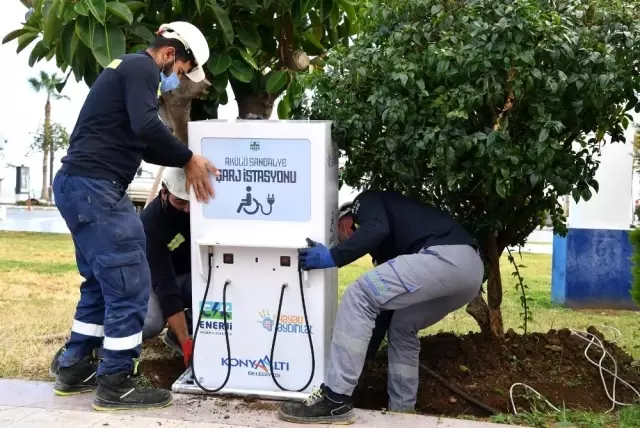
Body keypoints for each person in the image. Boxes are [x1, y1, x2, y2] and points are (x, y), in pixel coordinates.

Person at [52, 21, 218, 411]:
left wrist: (187, 159)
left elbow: (144, 145)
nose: (178, 80)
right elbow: (147, 126)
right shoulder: (143, 69)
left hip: (78, 186)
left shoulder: (124, 71)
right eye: (180, 72)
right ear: (169, 54)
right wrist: (187, 157)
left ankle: (75, 366)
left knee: (99, 281)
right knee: (129, 280)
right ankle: (117, 382)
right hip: (96, 189)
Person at [278, 190, 484, 424]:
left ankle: (335, 399)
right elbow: (382, 313)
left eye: (336, 231)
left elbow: (375, 229)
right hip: (470, 271)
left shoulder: (365, 201)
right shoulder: (390, 250)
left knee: (360, 294)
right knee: (403, 326)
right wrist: (364, 361)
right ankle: (402, 411)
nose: (338, 239)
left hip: (444, 256)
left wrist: (333, 257)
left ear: (347, 219)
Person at [140, 167, 194, 366]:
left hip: (188, 275)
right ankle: (104, 335)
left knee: (213, 292)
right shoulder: (151, 224)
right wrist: (186, 343)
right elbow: (165, 286)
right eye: (180, 202)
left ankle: (180, 330)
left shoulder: (201, 213)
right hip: (153, 279)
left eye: (191, 202)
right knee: (151, 323)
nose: (187, 209)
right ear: (164, 193)